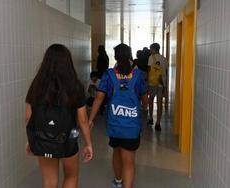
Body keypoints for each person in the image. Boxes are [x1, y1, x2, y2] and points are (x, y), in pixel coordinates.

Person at [25, 44, 93, 188]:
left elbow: (29, 117)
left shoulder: (37, 86)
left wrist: (31, 140)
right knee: (71, 177)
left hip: (43, 140)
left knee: (49, 182)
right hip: (67, 141)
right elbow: (83, 119)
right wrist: (88, 144)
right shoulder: (75, 86)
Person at [89, 43, 148, 188]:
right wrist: (143, 110)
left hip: (115, 123)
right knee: (129, 160)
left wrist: (91, 119)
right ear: (129, 56)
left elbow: (99, 98)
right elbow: (145, 98)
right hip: (131, 125)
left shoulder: (109, 75)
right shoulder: (138, 75)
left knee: (116, 151)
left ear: (115, 57)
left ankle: (118, 181)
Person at [147, 43, 168, 131]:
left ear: (154, 49)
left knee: (151, 99)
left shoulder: (151, 57)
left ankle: (151, 118)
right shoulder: (164, 58)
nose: (150, 51)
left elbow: (148, 69)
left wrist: (146, 80)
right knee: (159, 103)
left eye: (151, 49)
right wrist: (165, 84)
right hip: (161, 83)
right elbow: (165, 71)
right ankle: (158, 123)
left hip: (152, 82)